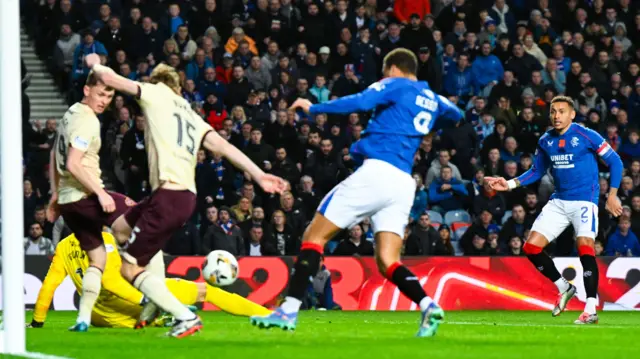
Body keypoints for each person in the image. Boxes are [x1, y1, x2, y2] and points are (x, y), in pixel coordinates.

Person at [250, 48, 462, 337]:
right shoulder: (433, 98)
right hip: (403, 183)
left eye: (386, 74)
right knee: (388, 261)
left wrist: (314, 108)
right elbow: (456, 114)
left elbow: (361, 101)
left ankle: (288, 310)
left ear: (394, 69)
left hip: (376, 173)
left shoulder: (396, 83)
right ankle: (428, 304)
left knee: (313, 236)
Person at [84, 54, 286, 338]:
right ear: (178, 87)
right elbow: (223, 147)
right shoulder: (192, 115)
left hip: (168, 195)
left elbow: (108, 79)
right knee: (119, 229)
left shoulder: (154, 94)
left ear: (157, 82)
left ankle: (183, 315)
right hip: (182, 197)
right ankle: (155, 293)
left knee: (128, 269)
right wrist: (258, 174)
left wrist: (95, 63)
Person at [486, 95, 623, 325]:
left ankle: (590, 309)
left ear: (572, 114)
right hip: (559, 201)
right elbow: (536, 171)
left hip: (584, 201)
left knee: (586, 248)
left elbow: (615, 161)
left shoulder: (586, 135)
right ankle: (564, 287)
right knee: (531, 247)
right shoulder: (546, 140)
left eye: (561, 111)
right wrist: (509, 184)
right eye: (553, 111)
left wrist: (612, 195)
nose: (556, 116)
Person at [27, 232, 271, 329]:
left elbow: (49, 286)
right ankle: (268, 316)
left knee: (141, 319)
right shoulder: (105, 239)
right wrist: (144, 298)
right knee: (206, 292)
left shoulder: (62, 247)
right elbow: (111, 280)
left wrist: (37, 322)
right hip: (132, 300)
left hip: (105, 316)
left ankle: (159, 317)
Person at [47, 71, 135, 332]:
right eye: (100, 94)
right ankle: (161, 302)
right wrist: (101, 193)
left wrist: (55, 195)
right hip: (85, 197)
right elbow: (73, 163)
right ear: (87, 90)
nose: (104, 100)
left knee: (97, 259)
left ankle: (83, 318)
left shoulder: (70, 113)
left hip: (69, 203)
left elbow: (55, 154)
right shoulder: (87, 121)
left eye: (109, 96)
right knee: (139, 216)